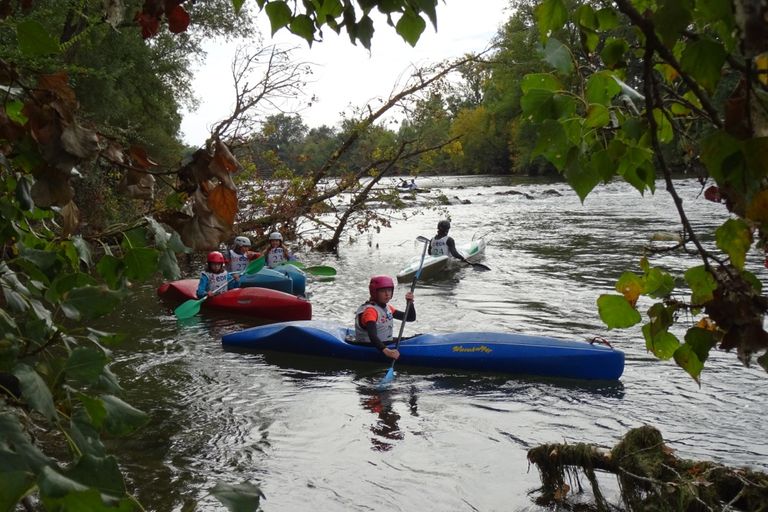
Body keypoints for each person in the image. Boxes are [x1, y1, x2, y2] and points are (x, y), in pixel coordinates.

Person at [354, 275, 416, 360]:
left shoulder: (387, 308)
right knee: (410, 341)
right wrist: (387, 352)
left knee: (415, 338)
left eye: (389, 290)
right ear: (374, 292)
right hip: (372, 345)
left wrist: (410, 303)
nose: (387, 294)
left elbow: (410, 318)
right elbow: (372, 336)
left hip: (385, 342)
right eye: (383, 291)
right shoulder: (370, 311)